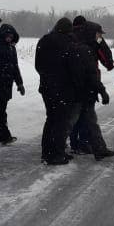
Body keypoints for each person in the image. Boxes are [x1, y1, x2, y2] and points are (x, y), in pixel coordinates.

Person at [36, 18, 83, 165]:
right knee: (60, 122)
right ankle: (57, 153)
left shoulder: (44, 40)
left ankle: (47, 152)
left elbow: (38, 65)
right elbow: (75, 68)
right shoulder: (70, 44)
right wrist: (77, 85)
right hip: (63, 88)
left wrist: (47, 77)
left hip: (47, 88)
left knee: (51, 119)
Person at [71, 21, 114, 160]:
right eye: (99, 34)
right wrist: (102, 91)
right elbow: (91, 73)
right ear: (92, 33)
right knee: (80, 121)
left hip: (82, 90)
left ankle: (88, 147)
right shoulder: (85, 49)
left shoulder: (85, 45)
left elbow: (105, 61)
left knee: (83, 120)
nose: (100, 37)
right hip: (84, 90)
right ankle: (94, 148)